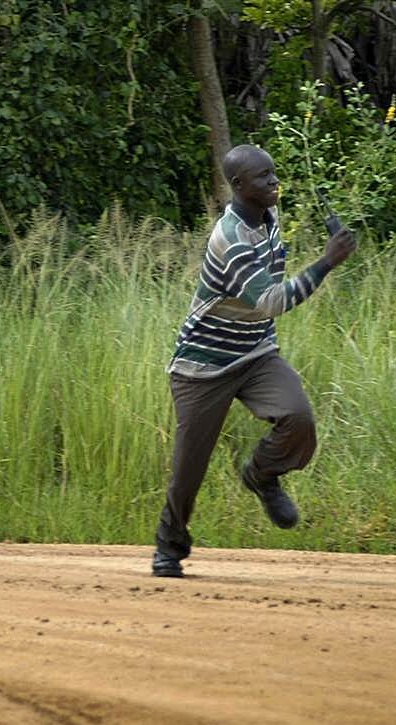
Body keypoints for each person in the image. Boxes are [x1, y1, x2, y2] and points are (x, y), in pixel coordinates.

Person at [152, 144, 357, 578]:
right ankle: (170, 546)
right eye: (263, 177)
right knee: (189, 468)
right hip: (203, 365)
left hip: (255, 352)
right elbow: (269, 300)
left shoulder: (268, 216)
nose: (273, 182)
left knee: (298, 417)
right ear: (240, 186)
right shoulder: (229, 237)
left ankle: (262, 476)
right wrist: (327, 262)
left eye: (273, 173)